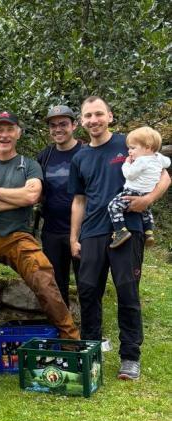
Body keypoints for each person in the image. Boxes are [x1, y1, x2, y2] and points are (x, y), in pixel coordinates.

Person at [70, 96, 170, 380]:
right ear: (82, 121)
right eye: (88, 116)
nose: (93, 120)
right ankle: (91, 349)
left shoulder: (130, 144)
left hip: (128, 228)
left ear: (110, 116)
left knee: (127, 291)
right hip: (92, 231)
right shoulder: (80, 157)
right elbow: (79, 200)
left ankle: (130, 357)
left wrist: (148, 199)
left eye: (98, 114)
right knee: (88, 290)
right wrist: (73, 237)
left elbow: (164, 176)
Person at [0, 111, 79, 340]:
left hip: (18, 237)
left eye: (9, 129)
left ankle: (70, 339)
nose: (4, 135)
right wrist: (15, 199)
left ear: (18, 133)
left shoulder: (29, 165)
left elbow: (31, 196)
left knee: (44, 280)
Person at [35, 105, 82, 306]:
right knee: (56, 283)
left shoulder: (86, 152)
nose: (58, 129)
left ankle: (90, 331)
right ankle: (61, 329)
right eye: (53, 125)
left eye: (63, 124)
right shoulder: (44, 157)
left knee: (86, 283)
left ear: (75, 125)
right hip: (52, 230)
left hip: (83, 230)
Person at [107, 126, 170, 248]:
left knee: (113, 206)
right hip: (147, 193)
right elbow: (168, 162)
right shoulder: (158, 158)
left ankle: (121, 231)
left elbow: (129, 175)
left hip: (133, 192)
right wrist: (157, 155)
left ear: (147, 147)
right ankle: (149, 232)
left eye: (133, 148)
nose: (129, 151)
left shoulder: (142, 161)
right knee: (146, 211)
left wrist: (126, 163)